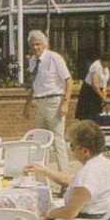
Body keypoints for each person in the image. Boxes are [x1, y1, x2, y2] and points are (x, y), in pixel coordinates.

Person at [22, 30, 73, 171]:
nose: (35, 48)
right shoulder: (32, 61)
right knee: (39, 140)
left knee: (57, 140)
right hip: (39, 102)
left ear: (44, 45)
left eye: (38, 44)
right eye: (32, 45)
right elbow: (35, 85)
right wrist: (27, 105)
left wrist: (66, 103)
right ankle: (39, 174)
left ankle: (65, 176)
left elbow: (68, 81)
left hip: (54, 101)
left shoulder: (54, 58)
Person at [77, 53, 110, 120]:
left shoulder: (106, 68)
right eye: (109, 62)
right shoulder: (96, 66)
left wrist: (104, 94)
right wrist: (102, 97)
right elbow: (95, 84)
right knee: (87, 114)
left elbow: (104, 82)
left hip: (98, 92)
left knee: (96, 114)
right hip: (89, 92)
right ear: (104, 60)